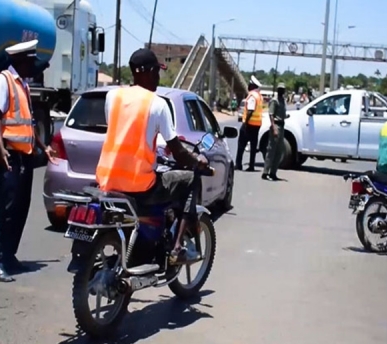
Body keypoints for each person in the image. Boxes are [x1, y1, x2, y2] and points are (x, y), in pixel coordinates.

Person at [96, 48, 208, 264]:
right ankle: (177, 249)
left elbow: (125, 133)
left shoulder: (113, 97)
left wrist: (155, 144)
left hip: (108, 181)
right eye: (156, 71)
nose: (158, 76)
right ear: (146, 72)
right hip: (140, 185)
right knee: (190, 179)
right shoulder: (157, 104)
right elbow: (179, 153)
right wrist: (198, 161)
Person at [0, 40, 56, 282]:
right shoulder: (3, 81)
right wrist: (1, 148)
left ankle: (9, 257)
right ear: (20, 61)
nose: (32, 68)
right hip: (10, 156)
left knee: (20, 209)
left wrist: (43, 147)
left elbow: (30, 124)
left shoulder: (23, 85)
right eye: (30, 62)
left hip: (25, 156)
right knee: (6, 210)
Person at [235, 75, 263, 172]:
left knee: (241, 144)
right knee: (253, 146)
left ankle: (238, 164)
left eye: (249, 84)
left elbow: (250, 110)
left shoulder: (252, 96)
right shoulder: (259, 96)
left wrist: (246, 123)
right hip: (257, 125)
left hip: (249, 124)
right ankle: (251, 165)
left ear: (252, 85)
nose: (248, 86)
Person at [262, 82, 288, 181]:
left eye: (283, 89)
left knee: (279, 150)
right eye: (280, 89)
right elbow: (271, 114)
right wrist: (274, 127)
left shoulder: (283, 101)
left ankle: (273, 173)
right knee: (271, 150)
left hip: (282, 125)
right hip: (276, 125)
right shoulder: (275, 101)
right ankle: (265, 172)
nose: (282, 91)